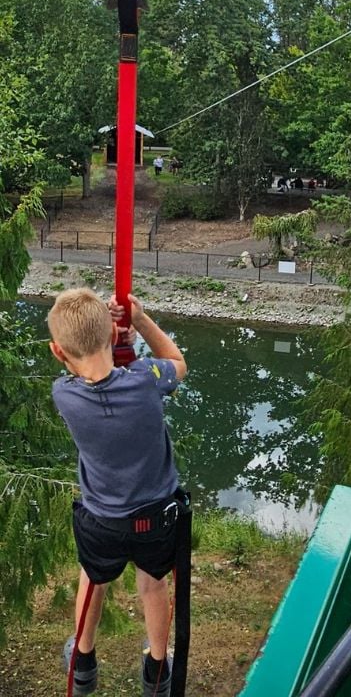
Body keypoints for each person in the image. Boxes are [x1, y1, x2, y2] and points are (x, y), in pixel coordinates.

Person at [48, 289, 187, 696]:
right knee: (153, 584)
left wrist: (112, 344)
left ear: (59, 352)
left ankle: (84, 661)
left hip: (101, 521)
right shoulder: (147, 379)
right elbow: (178, 363)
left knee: (93, 580)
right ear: (111, 333)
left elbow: (90, 373)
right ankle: (157, 670)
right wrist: (139, 323)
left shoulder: (64, 393)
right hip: (155, 518)